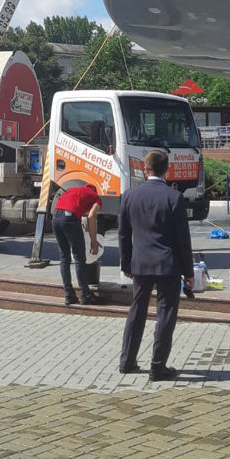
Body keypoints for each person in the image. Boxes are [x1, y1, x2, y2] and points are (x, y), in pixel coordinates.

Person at [118, 149, 194, 381]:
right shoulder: (173, 197)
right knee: (165, 314)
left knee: (136, 311)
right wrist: (189, 272)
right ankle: (157, 366)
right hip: (167, 265)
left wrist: (126, 263)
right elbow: (183, 238)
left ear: (145, 169)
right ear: (167, 169)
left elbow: (123, 234)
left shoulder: (130, 195)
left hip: (140, 263)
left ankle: (127, 362)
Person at [52, 181, 101, 306]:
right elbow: (91, 217)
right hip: (70, 218)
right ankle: (86, 294)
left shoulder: (74, 190)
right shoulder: (95, 197)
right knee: (79, 258)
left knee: (64, 257)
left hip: (56, 217)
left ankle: (69, 295)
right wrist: (93, 242)